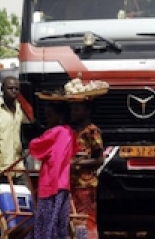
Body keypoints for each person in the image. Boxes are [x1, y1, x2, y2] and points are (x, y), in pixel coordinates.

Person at [26, 103, 77, 239]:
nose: (47, 119)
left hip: (50, 183)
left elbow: (35, 146)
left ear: (59, 117)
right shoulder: (70, 132)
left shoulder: (54, 132)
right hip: (63, 184)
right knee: (59, 222)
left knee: (45, 222)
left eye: (50, 115)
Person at [70, 100, 104, 239]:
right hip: (74, 183)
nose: (73, 112)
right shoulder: (76, 131)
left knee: (86, 219)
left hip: (86, 184)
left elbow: (99, 159)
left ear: (87, 111)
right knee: (76, 219)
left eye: (77, 109)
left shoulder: (91, 131)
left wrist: (79, 163)